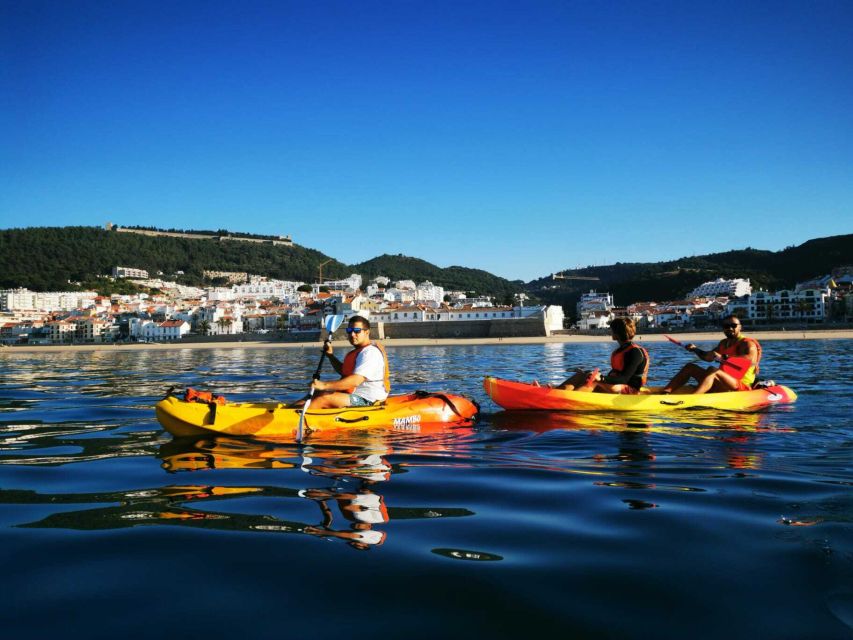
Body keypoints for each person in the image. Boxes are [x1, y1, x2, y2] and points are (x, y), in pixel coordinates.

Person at [662, 315, 761, 394]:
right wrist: (695, 349)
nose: (730, 328)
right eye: (726, 326)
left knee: (713, 370)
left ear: (740, 327)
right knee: (690, 367)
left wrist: (723, 357)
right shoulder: (723, 343)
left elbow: (750, 360)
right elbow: (708, 357)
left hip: (740, 385)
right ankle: (665, 392)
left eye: (733, 326)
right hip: (722, 381)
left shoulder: (747, 343)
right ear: (723, 328)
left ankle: (694, 398)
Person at [308, 315, 390, 408]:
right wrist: (330, 356)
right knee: (317, 393)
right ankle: (292, 410)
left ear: (367, 332)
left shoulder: (370, 353)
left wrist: (324, 385)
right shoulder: (360, 351)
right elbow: (344, 371)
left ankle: (297, 417)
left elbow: (355, 381)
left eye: (357, 331)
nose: (352, 334)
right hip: (355, 395)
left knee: (323, 398)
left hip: (369, 400)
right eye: (349, 331)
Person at [555, 317, 649, 394]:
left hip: (631, 390)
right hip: (618, 386)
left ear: (617, 333)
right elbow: (615, 374)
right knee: (583, 375)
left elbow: (624, 379)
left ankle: (570, 400)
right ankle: (556, 393)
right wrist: (590, 374)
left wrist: (601, 378)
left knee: (594, 382)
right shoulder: (621, 350)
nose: (610, 332)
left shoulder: (635, 352)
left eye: (612, 330)